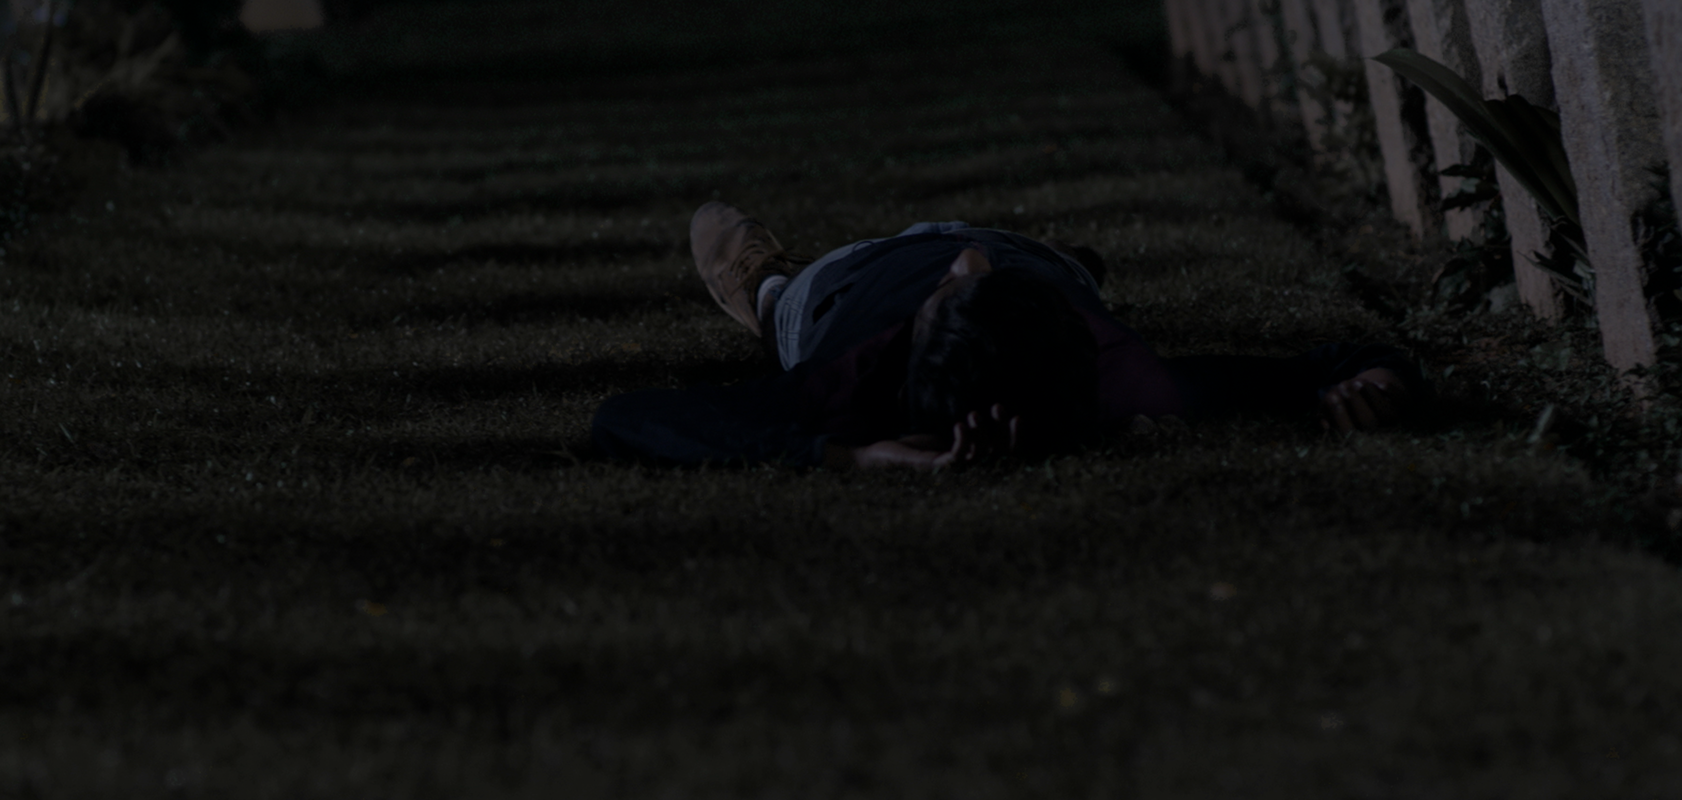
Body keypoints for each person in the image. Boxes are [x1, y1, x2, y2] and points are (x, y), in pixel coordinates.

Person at [590, 202, 1425, 471]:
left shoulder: (848, 379)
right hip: (1013, 259)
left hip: (856, 281)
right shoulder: (1129, 379)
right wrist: (1381, 383)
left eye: (957, 283)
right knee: (1045, 262)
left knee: (788, 318)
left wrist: (856, 455)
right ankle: (1065, 267)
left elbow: (626, 418)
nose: (962, 268)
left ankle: (764, 288)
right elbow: (1347, 360)